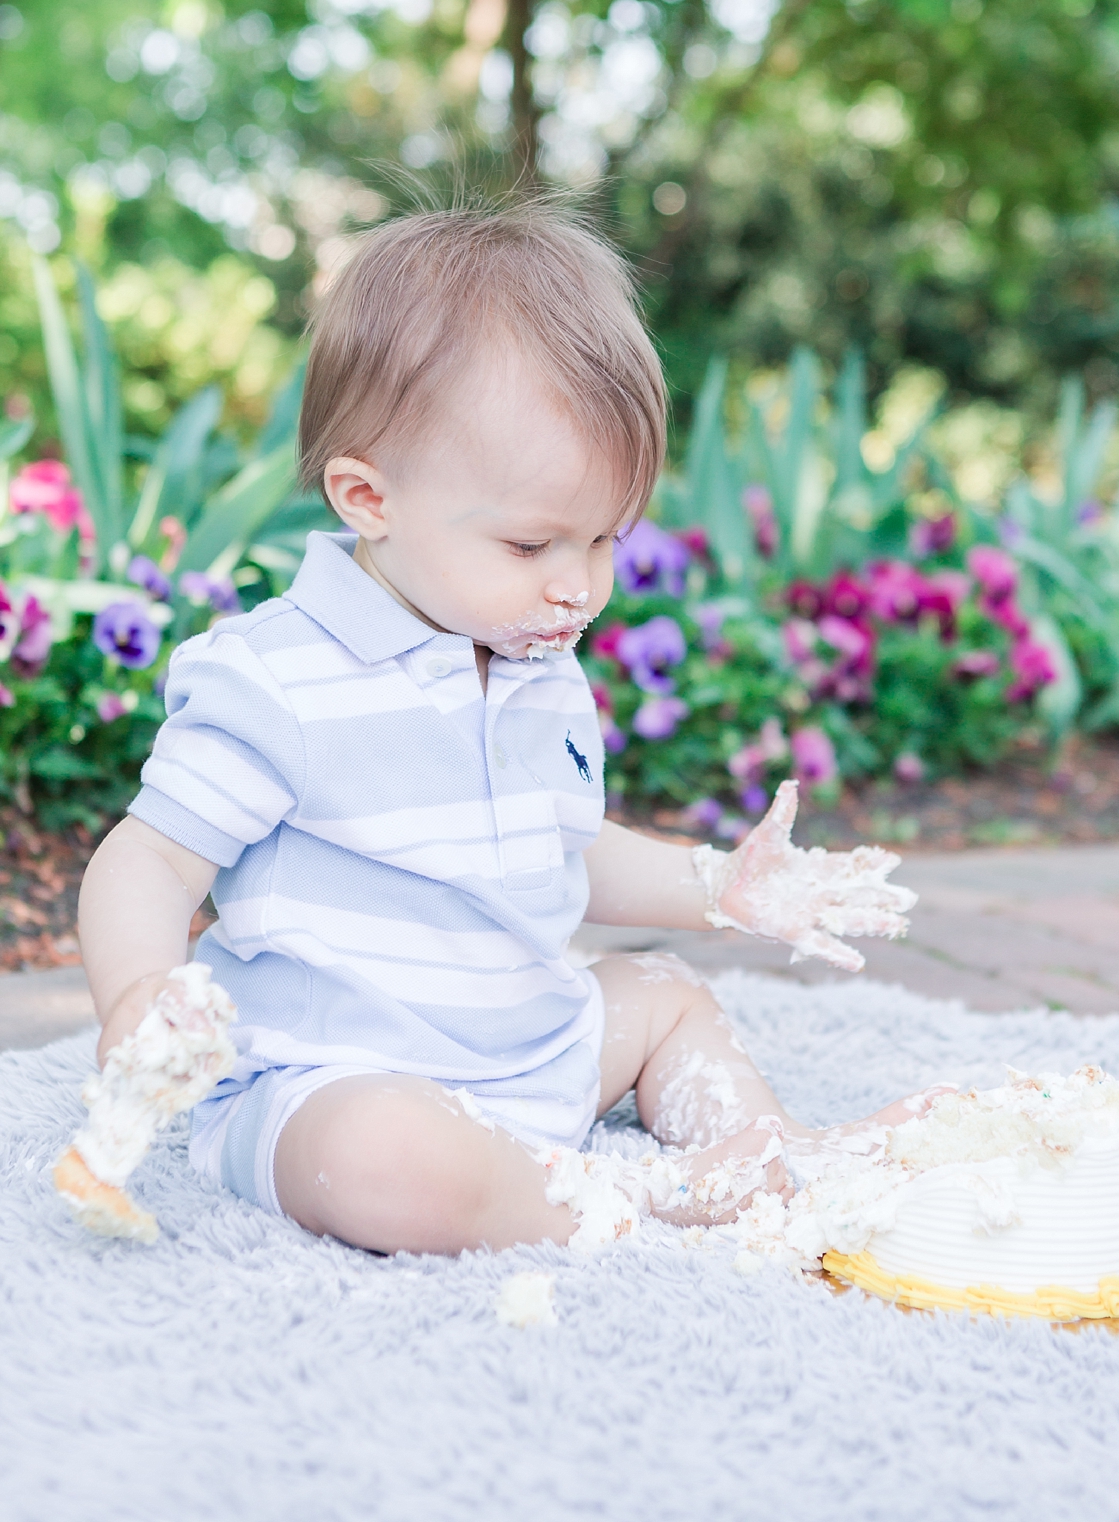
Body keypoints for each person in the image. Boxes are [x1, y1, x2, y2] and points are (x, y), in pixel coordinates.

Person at [78, 202, 925, 1256]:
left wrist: (719, 888)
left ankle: (774, 1159)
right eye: (532, 544)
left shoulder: (534, 663)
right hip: (338, 1076)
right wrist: (139, 996)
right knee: (392, 1162)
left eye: (606, 539)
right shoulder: (277, 678)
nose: (578, 588)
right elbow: (150, 863)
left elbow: (560, 848)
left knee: (663, 995)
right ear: (366, 496)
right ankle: (644, 1201)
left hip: (533, 1051)